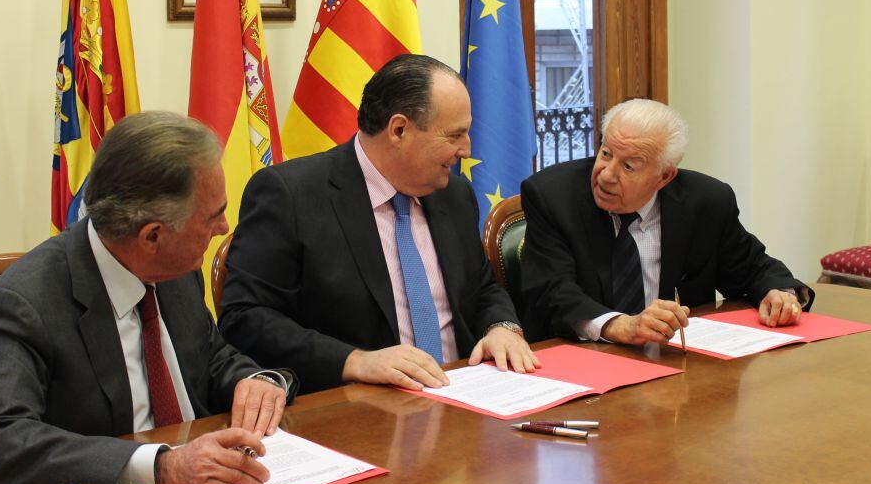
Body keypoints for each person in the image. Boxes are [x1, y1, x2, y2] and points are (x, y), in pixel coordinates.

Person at [0, 111, 296, 484]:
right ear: (153, 236)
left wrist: (256, 381)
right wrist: (161, 467)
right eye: (213, 216)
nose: (223, 228)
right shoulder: (25, 304)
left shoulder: (176, 268)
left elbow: (210, 357)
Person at [219, 54, 538, 394]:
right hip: (360, 407)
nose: (466, 149)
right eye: (455, 135)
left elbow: (483, 287)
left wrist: (501, 327)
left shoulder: (454, 195)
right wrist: (353, 360)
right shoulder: (291, 196)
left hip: (466, 393)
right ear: (399, 129)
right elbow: (245, 317)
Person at [520, 98, 813, 346]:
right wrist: (620, 325)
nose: (607, 174)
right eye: (606, 153)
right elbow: (550, 294)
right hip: (585, 364)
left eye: (628, 166)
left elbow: (754, 268)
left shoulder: (706, 201)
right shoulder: (552, 197)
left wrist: (780, 295)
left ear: (664, 177)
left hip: (681, 371)